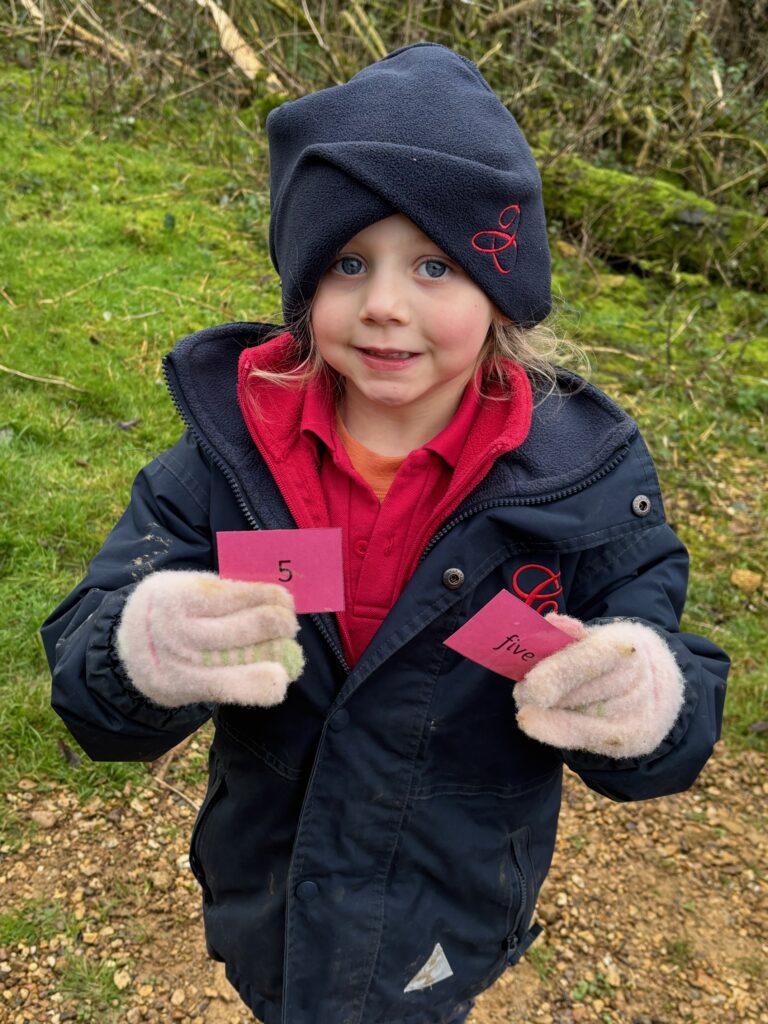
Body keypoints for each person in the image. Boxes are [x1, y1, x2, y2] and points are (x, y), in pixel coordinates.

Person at [42, 42, 729, 1024]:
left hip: (444, 924)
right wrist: (137, 648)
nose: (385, 306)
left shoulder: (586, 480)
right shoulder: (229, 460)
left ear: (504, 290)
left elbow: (673, 673)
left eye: (436, 264)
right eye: (349, 261)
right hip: (267, 904)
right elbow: (90, 674)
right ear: (304, 282)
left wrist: (646, 693)